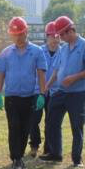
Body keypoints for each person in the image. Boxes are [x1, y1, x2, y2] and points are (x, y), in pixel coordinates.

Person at [0, 16, 47, 169]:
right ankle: (16, 158)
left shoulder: (37, 51)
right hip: (12, 97)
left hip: (29, 97)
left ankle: (19, 156)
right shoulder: (6, 53)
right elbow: (0, 74)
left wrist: (42, 94)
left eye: (20, 34)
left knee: (25, 128)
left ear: (26, 32)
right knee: (14, 127)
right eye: (14, 35)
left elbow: (41, 74)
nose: (17, 37)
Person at [42, 15, 85, 167]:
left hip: (78, 93)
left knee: (76, 126)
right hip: (61, 91)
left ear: (70, 31)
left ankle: (77, 159)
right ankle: (55, 153)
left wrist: (74, 77)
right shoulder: (64, 49)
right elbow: (56, 70)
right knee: (51, 120)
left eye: (61, 35)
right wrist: (47, 86)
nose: (60, 38)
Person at [28, 21, 61, 157]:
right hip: (38, 90)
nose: (55, 40)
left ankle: (48, 149)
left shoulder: (63, 52)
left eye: (57, 37)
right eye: (52, 37)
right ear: (46, 37)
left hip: (55, 92)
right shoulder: (39, 51)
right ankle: (34, 144)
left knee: (51, 121)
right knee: (34, 119)